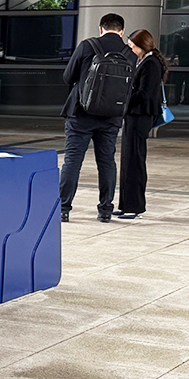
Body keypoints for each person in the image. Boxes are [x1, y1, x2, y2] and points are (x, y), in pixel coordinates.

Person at [59, 13, 136, 223]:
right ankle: (105, 210)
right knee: (107, 162)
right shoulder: (129, 54)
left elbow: (68, 76)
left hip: (81, 114)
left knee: (73, 161)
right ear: (122, 31)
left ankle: (63, 208)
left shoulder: (87, 46)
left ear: (101, 28)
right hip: (111, 117)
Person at [115, 29, 167, 219]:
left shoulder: (151, 63)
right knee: (128, 160)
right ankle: (126, 204)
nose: (131, 49)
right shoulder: (144, 60)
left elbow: (145, 93)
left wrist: (124, 102)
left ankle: (135, 207)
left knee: (135, 161)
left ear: (142, 45)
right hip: (135, 115)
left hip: (140, 115)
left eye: (133, 45)